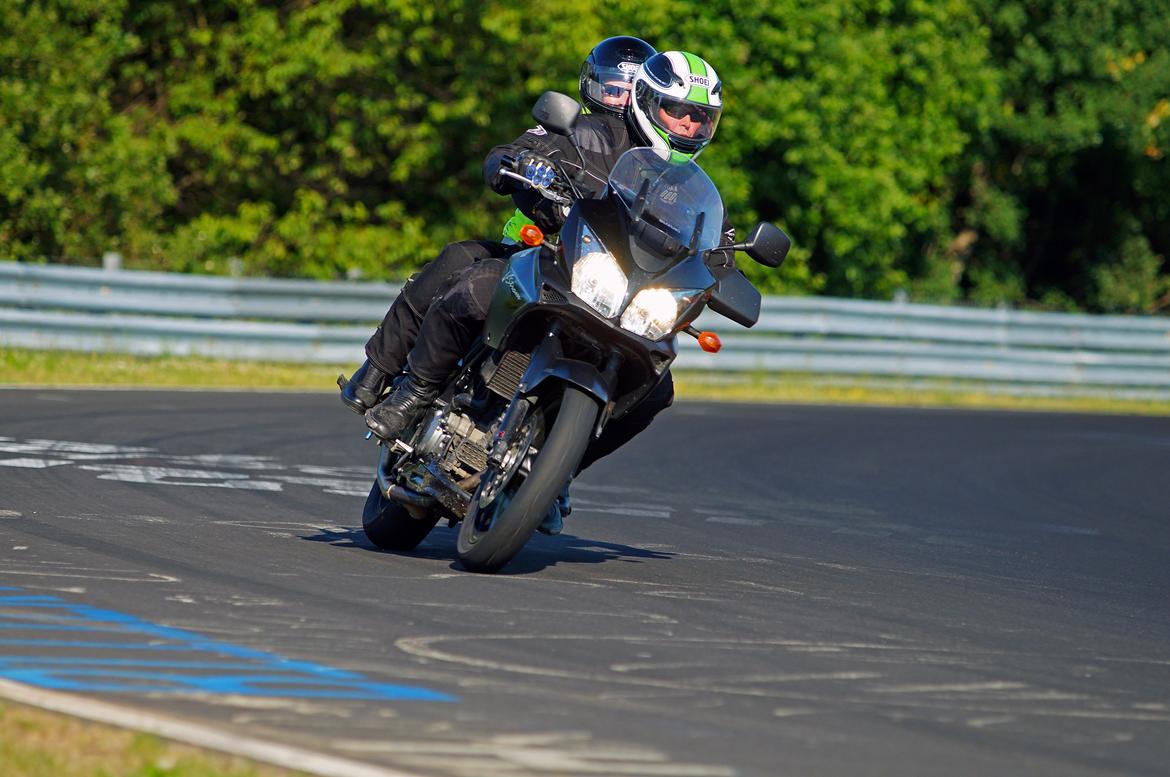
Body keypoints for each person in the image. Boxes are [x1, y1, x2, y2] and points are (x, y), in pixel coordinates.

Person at [362, 51, 727, 535]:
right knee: (474, 285)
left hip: (624, 300)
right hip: (552, 262)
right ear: (646, 101)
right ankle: (416, 390)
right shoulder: (588, 134)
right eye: (675, 110)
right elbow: (517, 150)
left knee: (657, 391)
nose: (686, 124)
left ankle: (558, 475)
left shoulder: (693, 191)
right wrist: (518, 163)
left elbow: (715, 247)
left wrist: (726, 267)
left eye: (699, 117)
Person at [339, 36, 656, 415]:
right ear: (593, 87)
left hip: (614, 290)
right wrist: (518, 164)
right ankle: (388, 377)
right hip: (537, 257)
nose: (620, 100)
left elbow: (701, 225)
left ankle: (561, 462)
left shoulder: (658, 163)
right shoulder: (572, 130)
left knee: (658, 387)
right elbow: (510, 154)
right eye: (613, 89)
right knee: (462, 263)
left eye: (630, 91)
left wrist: (718, 256)